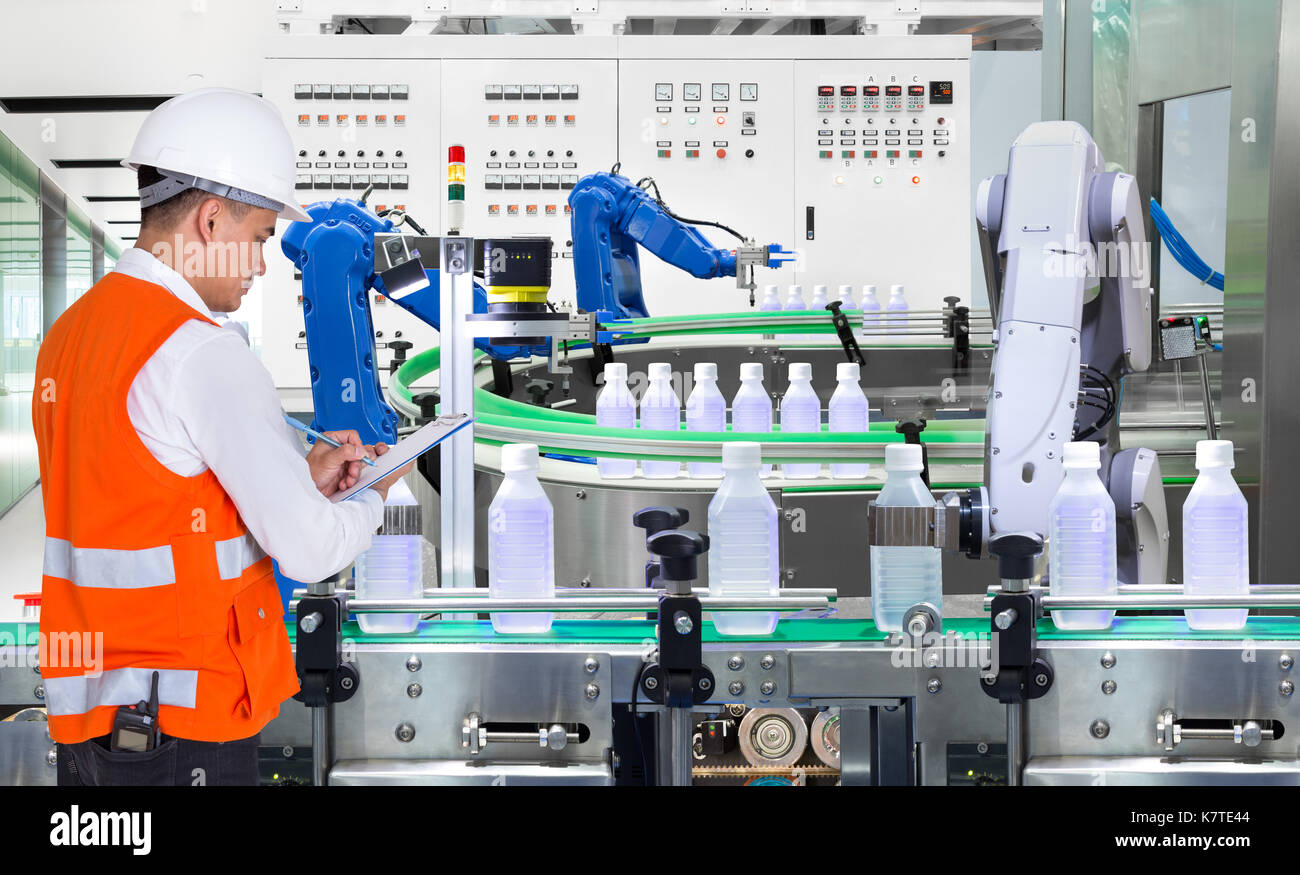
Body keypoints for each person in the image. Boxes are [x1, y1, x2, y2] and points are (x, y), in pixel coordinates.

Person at [31, 87, 413, 786]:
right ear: (210, 220)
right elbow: (307, 545)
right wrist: (376, 494)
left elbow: (145, 496)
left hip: (93, 722)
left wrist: (300, 477)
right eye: (261, 236)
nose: (262, 264)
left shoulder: (70, 335)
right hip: (184, 725)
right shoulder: (198, 350)